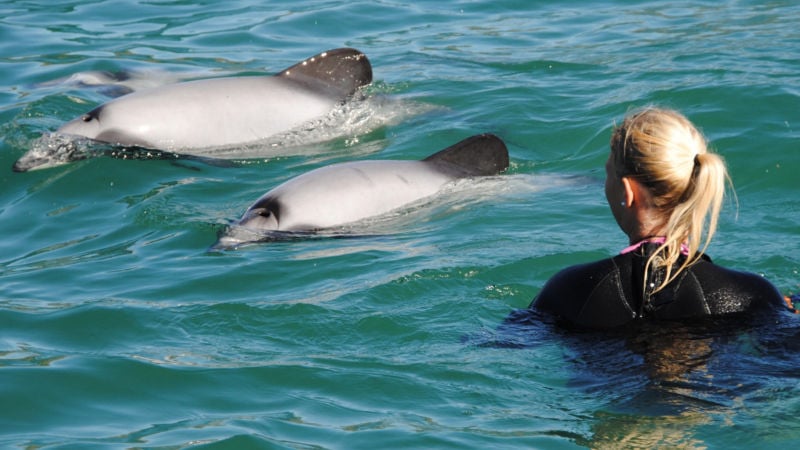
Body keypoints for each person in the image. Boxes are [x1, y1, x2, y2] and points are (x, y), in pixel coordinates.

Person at [530, 107, 789, 328]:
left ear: (629, 192)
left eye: (608, 173)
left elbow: (509, 344)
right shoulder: (751, 295)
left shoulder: (570, 291)